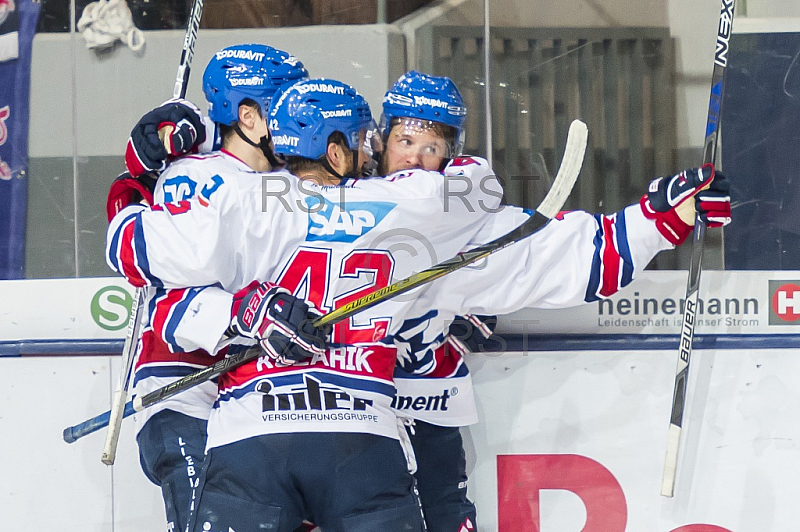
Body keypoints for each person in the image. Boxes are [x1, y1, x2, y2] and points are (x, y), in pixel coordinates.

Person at [107, 70, 730, 531]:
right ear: (341, 146)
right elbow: (576, 257)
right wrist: (665, 215)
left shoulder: (241, 200)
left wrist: (141, 177)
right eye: (375, 138)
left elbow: (151, 272)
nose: (392, 150)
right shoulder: (428, 213)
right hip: (364, 437)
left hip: (253, 435)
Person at [107, 43, 310, 532]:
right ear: (250, 117)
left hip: (267, 391)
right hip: (184, 391)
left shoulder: (297, 182)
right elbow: (163, 275)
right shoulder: (198, 175)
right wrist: (138, 177)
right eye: (287, 105)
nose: (301, 117)